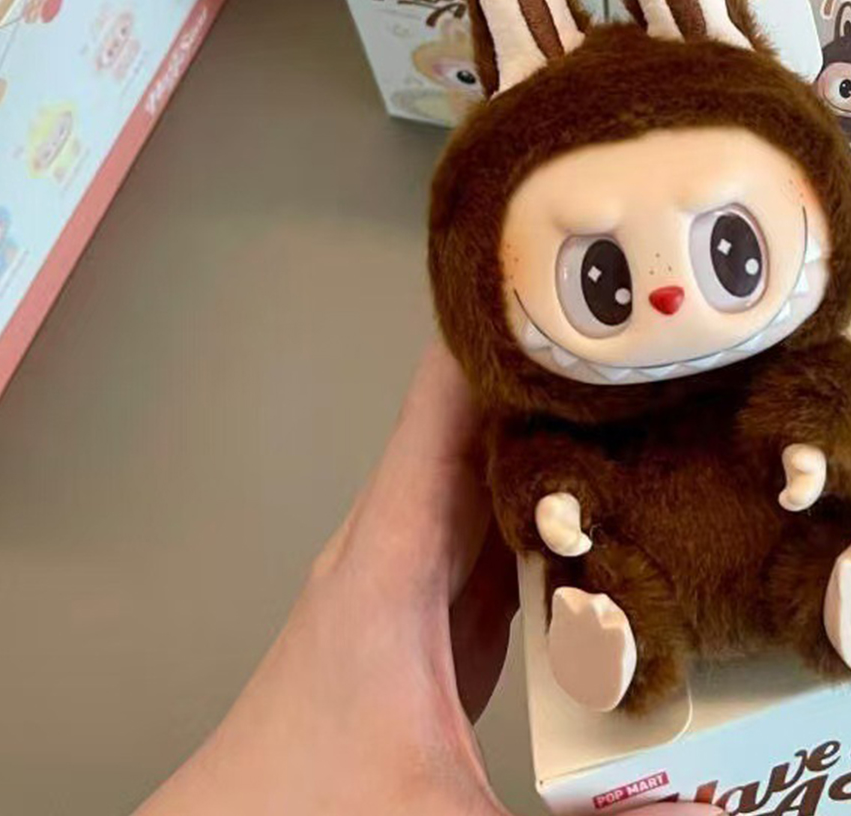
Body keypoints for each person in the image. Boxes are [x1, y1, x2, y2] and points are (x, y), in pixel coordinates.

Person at [136, 342, 718, 816]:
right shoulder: (552, 418)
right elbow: (534, 471)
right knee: (589, 567)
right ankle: (615, 642)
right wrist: (555, 502)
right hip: (616, 566)